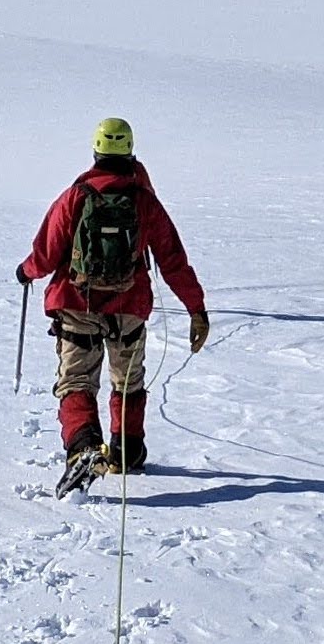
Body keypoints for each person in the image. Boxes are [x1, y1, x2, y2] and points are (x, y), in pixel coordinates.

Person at [15, 117, 207, 475]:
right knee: (129, 380)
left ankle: (83, 447)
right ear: (130, 150)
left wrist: (26, 272)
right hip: (129, 308)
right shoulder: (144, 201)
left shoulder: (76, 195)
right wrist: (196, 309)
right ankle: (126, 451)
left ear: (96, 150)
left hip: (76, 303)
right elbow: (173, 259)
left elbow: (46, 252)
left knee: (77, 380)